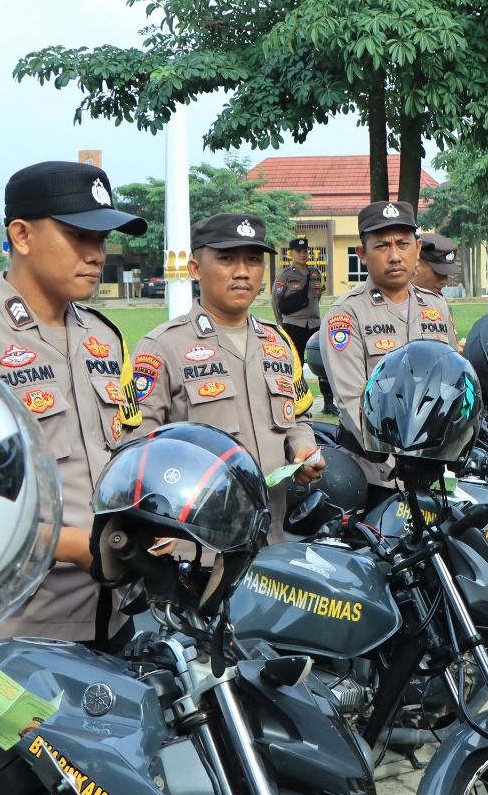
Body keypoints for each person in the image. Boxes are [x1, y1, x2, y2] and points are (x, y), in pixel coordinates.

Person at [0, 161, 147, 649]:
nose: (96, 255)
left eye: (102, 240)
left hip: (116, 615)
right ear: (22, 236)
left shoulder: (103, 337)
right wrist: (68, 545)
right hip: (19, 630)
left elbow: (125, 451)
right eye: (78, 236)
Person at [133, 213, 322, 541]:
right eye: (226, 259)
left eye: (253, 260)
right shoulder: (163, 347)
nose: (242, 272)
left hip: (271, 539)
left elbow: (299, 418)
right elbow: (136, 453)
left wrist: (303, 449)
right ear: (195, 269)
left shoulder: (277, 342)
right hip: (197, 547)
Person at [321, 201, 456, 500]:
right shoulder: (346, 314)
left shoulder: (436, 306)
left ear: (418, 248)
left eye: (403, 244)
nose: (394, 256)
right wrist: (401, 459)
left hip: (434, 466)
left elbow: (454, 381)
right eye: (381, 246)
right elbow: (351, 400)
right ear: (362, 255)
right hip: (375, 474)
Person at [271, 235, 323, 358]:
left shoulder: (316, 273)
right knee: (295, 361)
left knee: (320, 359)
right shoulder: (285, 275)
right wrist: (281, 323)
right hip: (293, 325)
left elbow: (318, 296)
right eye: (298, 251)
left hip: (314, 324)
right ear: (291, 254)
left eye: (305, 251)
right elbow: (276, 301)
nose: (302, 254)